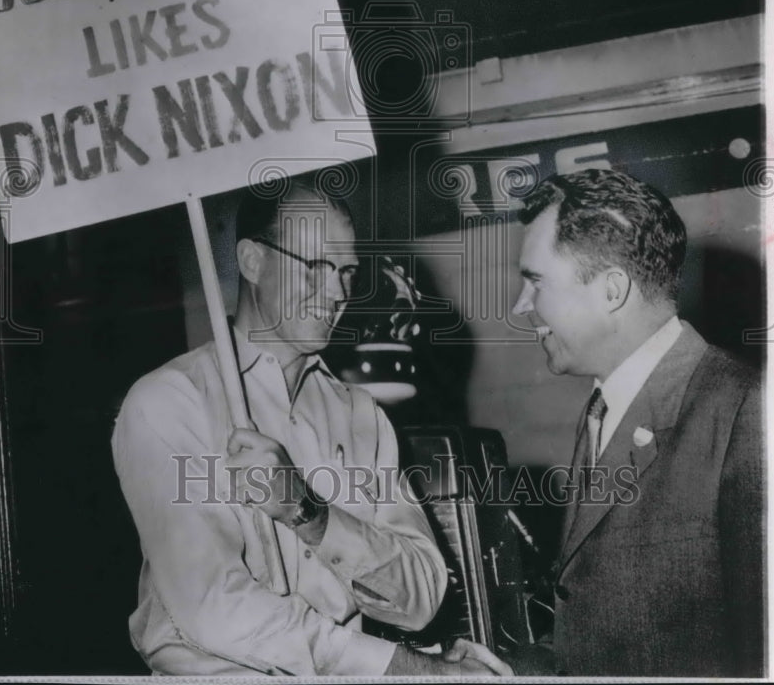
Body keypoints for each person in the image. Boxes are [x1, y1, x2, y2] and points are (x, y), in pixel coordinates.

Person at [112, 174, 511, 676]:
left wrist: (312, 516)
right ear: (253, 260)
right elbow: (213, 608)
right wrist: (411, 670)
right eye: (317, 266)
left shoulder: (360, 414)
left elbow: (421, 595)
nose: (337, 291)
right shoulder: (171, 402)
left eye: (348, 271)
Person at [511, 169, 764, 677]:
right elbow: (607, 623)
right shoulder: (602, 409)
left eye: (535, 282)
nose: (521, 307)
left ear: (611, 291)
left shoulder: (746, 412)